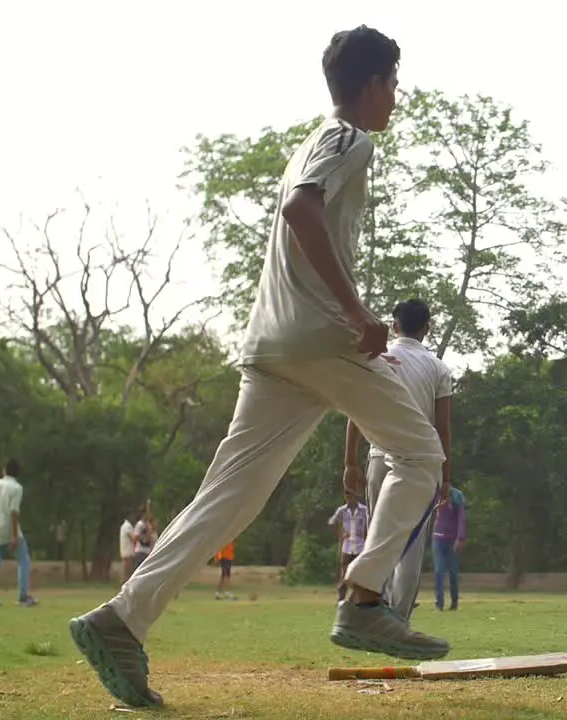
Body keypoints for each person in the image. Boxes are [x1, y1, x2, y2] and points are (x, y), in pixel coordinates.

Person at [67, 26, 449, 709]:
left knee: (228, 501)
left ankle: (121, 620)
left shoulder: (311, 139)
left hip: (271, 348)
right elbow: (302, 207)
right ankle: (364, 597)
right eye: (393, 83)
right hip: (319, 341)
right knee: (422, 457)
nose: (396, 97)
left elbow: (301, 207)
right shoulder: (347, 139)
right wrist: (359, 313)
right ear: (371, 85)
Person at [343, 299, 457, 618]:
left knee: (380, 538)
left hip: (380, 456)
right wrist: (446, 477)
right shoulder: (438, 367)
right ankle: (399, 615)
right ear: (427, 328)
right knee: (412, 542)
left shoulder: (378, 359)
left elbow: (356, 411)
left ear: (395, 326)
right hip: (421, 464)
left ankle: (375, 609)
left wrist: (350, 462)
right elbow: (443, 428)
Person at [0, 459, 37, 608]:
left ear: (4, 470)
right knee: (23, 561)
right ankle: (23, 596)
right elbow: (13, 512)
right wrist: (14, 536)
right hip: (9, 529)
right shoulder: (17, 488)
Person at [329, 490, 370, 601]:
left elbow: (371, 523)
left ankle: (359, 598)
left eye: (350, 495)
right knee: (344, 573)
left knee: (360, 573)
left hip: (360, 546)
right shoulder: (342, 510)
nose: (348, 498)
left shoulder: (364, 510)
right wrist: (341, 533)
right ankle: (341, 599)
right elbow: (332, 522)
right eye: (346, 495)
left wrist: (366, 534)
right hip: (347, 546)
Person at [119, 509, 140, 581]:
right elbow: (134, 538)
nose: (133, 517)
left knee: (128, 573)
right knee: (128, 573)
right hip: (128, 553)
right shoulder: (127, 526)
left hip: (127, 552)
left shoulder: (127, 526)